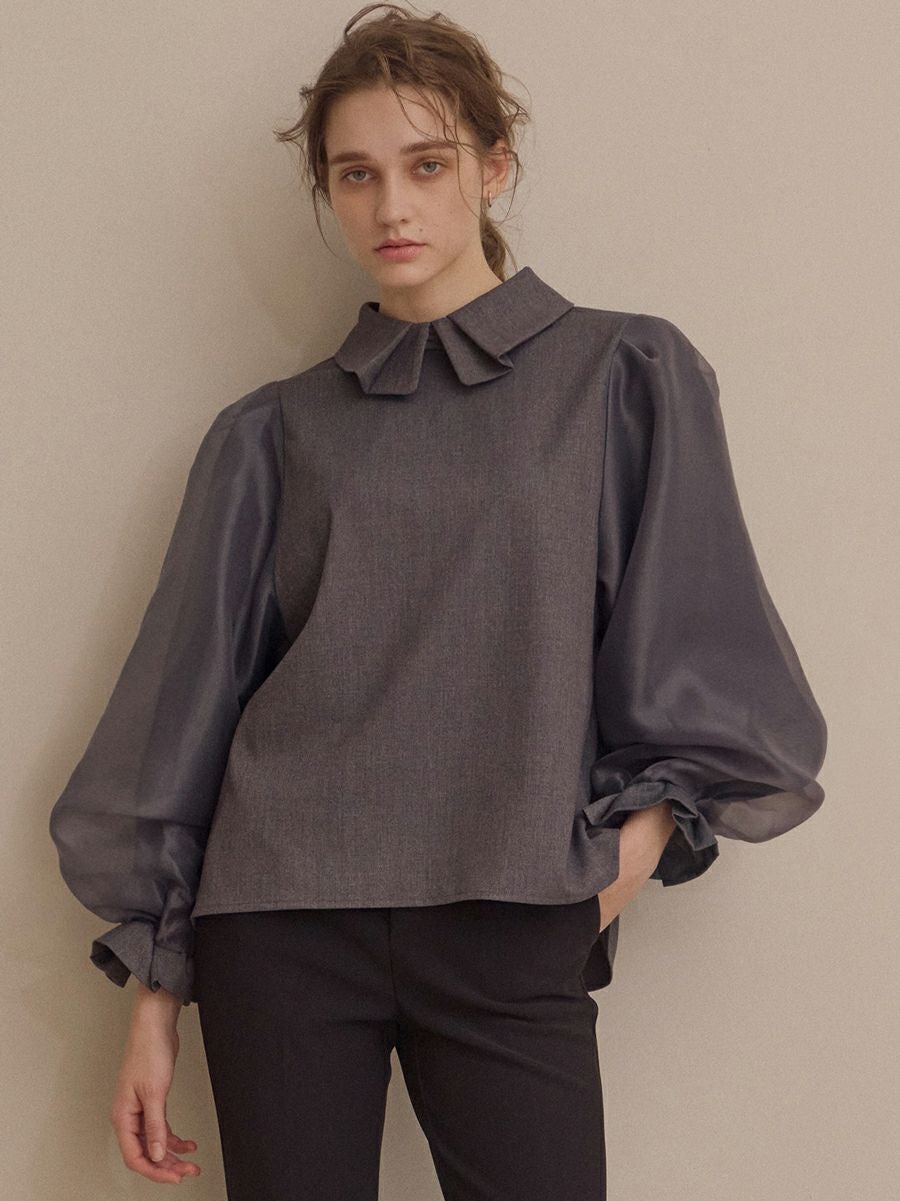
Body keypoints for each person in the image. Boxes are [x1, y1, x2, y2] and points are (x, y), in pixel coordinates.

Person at [48, 4, 828, 1197]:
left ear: (493, 166)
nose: (391, 207)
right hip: (280, 923)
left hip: (513, 915)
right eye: (355, 175)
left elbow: (702, 651)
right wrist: (154, 1001)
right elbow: (189, 711)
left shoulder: (624, 374)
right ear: (328, 190)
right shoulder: (271, 433)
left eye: (426, 164)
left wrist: (599, 883)